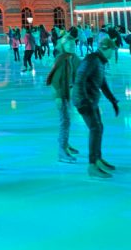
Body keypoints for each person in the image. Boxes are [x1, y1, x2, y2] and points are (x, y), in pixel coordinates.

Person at [72, 37, 119, 179]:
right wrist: (84, 101)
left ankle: (97, 159)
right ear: (106, 48)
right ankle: (92, 165)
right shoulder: (92, 60)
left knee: (99, 128)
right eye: (112, 50)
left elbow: (102, 83)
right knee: (95, 128)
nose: (112, 53)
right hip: (84, 101)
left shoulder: (99, 62)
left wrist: (113, 101)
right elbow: (79, 78)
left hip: (91, 100)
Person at [46, 33, 81, 164]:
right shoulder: (61, 58)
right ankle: (62, 149)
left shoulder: (71, 57)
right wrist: (58, 97)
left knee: (67, 120)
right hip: (61, 95)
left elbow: (80, 67)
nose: (72, 46)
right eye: (68, 44)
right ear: (63, 45)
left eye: (73, 44)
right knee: (64, 121)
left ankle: (65, 144)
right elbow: (55, 80)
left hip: (67, 93)